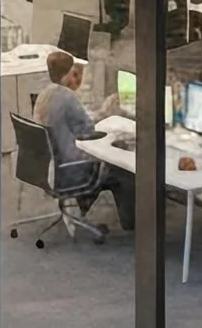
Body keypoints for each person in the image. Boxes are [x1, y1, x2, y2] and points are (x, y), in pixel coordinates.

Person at [32, 48, 135, 230]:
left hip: (50, 166)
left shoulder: (45, 94)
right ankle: (131, 224)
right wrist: (105, 111)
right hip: (70, 169)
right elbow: (87, 131)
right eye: (74, 73)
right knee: (123, 169)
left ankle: (85, 204)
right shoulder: (66, 97)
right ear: (67, 73)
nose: (76, 78)